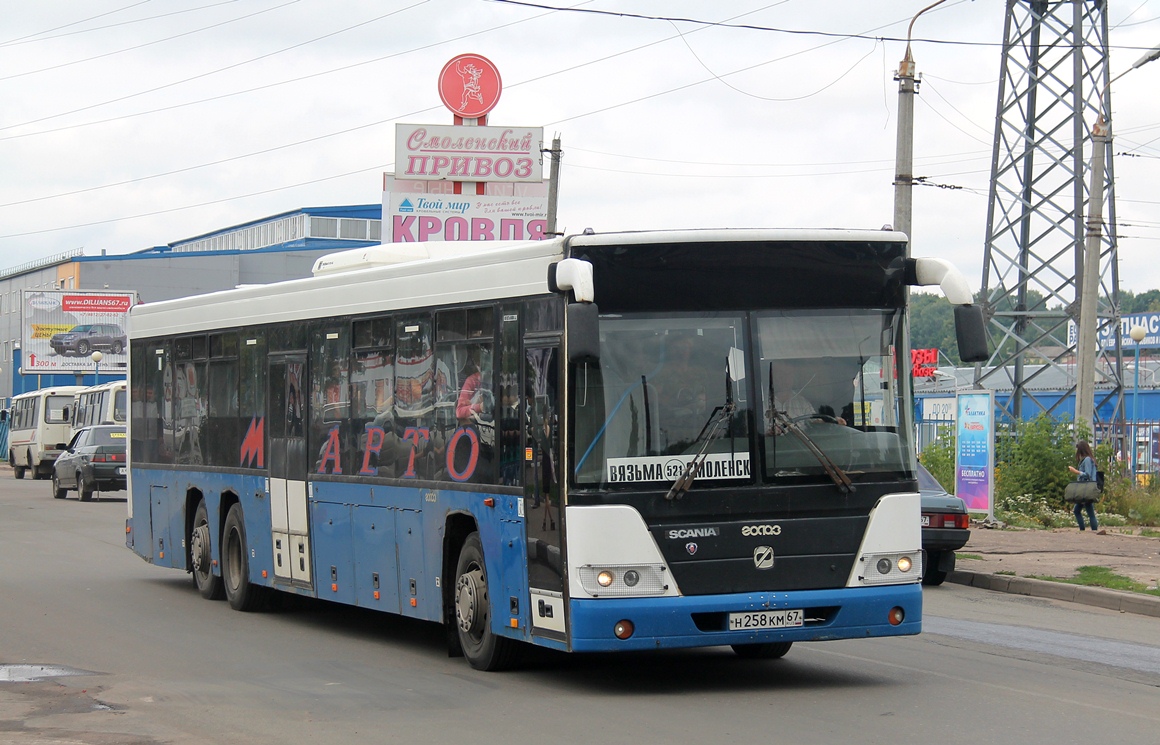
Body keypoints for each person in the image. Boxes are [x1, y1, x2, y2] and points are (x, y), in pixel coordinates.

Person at [1067, 440, 1100, 532]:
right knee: (1081, 510)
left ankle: (1090, 530)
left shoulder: (1087, 460)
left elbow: (1088, 474)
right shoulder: (1088, 459)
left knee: (1086, 511)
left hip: (1086, 489)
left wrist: (1076, 471)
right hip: (1086, 489)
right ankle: (1087, 529)